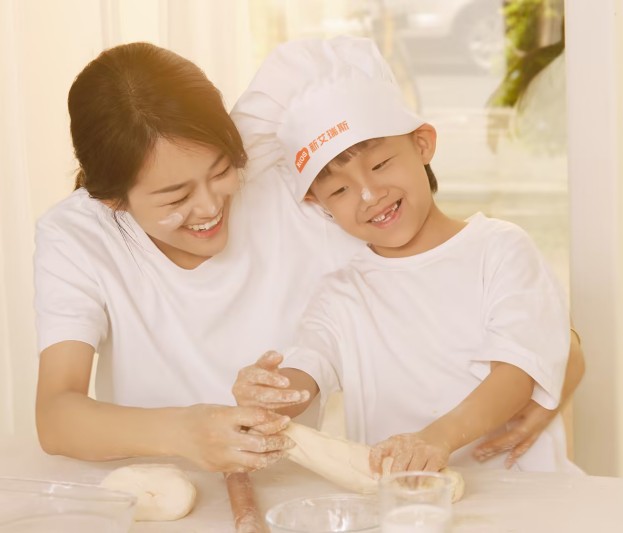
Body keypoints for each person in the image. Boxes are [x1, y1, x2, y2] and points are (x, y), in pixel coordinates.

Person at [34, 40, 582, 474]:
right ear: (113, 200)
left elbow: (438, 262)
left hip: (294, 488)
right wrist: (191, 429)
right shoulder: (79, 236)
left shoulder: (297, 196)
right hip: (153, 488)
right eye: (175, 197)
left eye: (221, 171)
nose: (209, 206)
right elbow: (57, 415)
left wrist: (557, 359)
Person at [231, 36, 580, 473]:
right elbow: (310, 365)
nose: (369, 194)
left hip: (524, 496)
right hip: (407, 503)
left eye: (380, 165)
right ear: (319, 205)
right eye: (339, 189)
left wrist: (438, 438)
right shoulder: (342, 294)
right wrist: (271, 393)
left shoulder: (500, 250)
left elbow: (517, 371)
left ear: (422, 144)